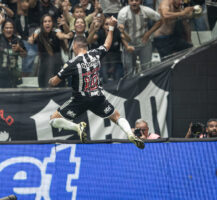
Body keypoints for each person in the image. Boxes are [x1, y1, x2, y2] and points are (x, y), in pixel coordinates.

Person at [48, 16, 145, 149]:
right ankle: (130, 133)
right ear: (86, 46)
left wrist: (53, 78)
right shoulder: (95, 54)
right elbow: (107, 44)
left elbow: (54, 82)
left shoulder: (72, 63)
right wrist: (111, 27)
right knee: (116, 116)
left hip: (79, 99)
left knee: (53, 119)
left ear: (75, 46)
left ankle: (77, 127)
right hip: (97, 97)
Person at [117, 0, 161, 77]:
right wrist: (127, 46)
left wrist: (148, 33)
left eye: (136, 0)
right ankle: (130, 87)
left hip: (144, 43)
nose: (134, 2)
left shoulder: (146, 10)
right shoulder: (123, 13)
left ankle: (146, 87)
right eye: (131, 0)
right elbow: (121, 33)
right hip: (129, 44)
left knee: (146, 69)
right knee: (128, 71)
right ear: (128, 1)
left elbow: (160, 20)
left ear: (140, 1)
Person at [28, 14, 71, 88]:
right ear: (42, 23)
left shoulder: (56, 30)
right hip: (43, 64)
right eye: (45, 21)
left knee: (58, 85)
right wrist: (35, 35)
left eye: (49, 21)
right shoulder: (39, 31)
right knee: (43, 85)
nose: (47, 23)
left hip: (56, 63)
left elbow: (61, 36)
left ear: (52, 23)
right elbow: (30, 41)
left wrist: (66, 36)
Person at [0, 16, 27, 88]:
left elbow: (24, 55)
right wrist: (0, 21)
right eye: (6, 28)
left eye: (11, 28)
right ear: (3, 29)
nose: (9, 30)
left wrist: (20, 49)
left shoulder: (17, 39)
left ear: (13, 29)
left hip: (12, 76)